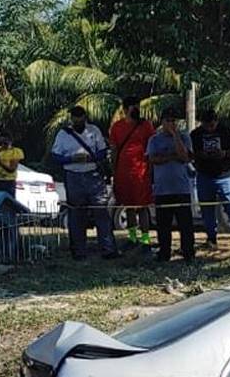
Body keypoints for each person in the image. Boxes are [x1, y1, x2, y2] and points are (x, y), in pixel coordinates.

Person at [51, 105, 119, 260]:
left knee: (101, 211)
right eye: (74, 117)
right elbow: (55, 156)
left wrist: (91, 157)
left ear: (84, 117)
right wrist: (71, 159)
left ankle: (108, 249)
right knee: (76, 214)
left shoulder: (94, 131)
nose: (77, 119)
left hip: (93, 174)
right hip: (73, 175)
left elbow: (102, 151)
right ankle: (78, 251)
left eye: (80, 116)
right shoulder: (63, 134)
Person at [191, 109, 230, 254]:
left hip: (225, 175)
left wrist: (225, 153)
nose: (210, 127)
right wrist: (201, 155)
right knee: (207, 210)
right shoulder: (196, 134)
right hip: (204, 175)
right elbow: (190, 153)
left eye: (212, 124)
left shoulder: (227, 131)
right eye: (206, 124)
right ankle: (211, 239)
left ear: (216, 121)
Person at [146, 106, 195, 263]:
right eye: (168, 120)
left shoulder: (184, 137)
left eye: (174, 121)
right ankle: (164, 253)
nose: (171, 123)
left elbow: (184, 157)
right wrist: (170, 156)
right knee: (163, 226)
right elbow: (153, 159)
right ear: (162, 122)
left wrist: (175, 136)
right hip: (162, 190)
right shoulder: (154, 139)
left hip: (181, 188)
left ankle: (188, 252)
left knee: (185, 224)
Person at [109, 96, 156, 251]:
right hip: (123, 172)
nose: (136, 110)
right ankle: (132, 237)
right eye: (133, 107)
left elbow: (152, 147)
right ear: (125, 109)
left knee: (142, 207)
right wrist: (114, 170)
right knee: (128, 206)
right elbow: (114, 149)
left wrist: (150, 169)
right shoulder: (117, 127)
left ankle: (145, 239)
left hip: (141, 171)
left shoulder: (146, 125)